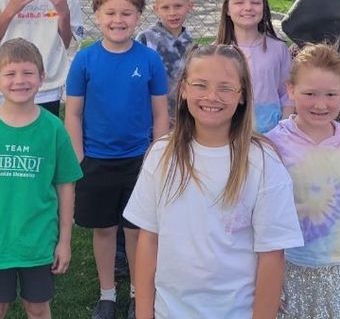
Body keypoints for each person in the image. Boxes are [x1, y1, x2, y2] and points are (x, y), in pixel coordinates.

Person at [123, 43, 303, 319]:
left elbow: (272, 256)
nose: (211, 96)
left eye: (226, 87)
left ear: (242, 95)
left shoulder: (264, 162)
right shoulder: (161, 154)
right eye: (200, 85)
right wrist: (144, 313)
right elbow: (148, 239)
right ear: (183, 90)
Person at [64, 0, 169, 319]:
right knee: (105, 228)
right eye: (110, 13)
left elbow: (160, 113)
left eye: (126, 13)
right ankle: (107, 294)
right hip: (95, 160)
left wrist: (157, 155)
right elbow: (74, 113)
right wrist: (78, 157)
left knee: (137, 229)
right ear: (97, 15)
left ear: (138, 16)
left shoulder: (149, 60)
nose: (118, 20)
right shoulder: (84, 60)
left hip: (139, 160)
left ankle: (139, 292)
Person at [0, 38, 82, 319]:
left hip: (38, 240)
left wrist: (64, 240)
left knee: (37, 308)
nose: (19, 81)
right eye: (10, 74)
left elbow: (66, 186)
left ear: (42, 78)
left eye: (28, 73)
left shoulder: (53, 129)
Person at [267, 41, 340, 318]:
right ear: (291, 90)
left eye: (330, 94)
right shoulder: (272, 146)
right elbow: (259, 213)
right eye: (310, 93)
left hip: (338, 268)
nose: (320, 103)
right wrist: (263, 274)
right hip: (284, 266)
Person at [215, 0, 290, 134]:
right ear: (227, 9)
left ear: (264, 7)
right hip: (228, 132)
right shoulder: (214, 53)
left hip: (272, 135)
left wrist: (282, 131)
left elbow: (288, 95)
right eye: (239, 2)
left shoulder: (279, 49)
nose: (248, 7)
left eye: (255, 2)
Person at [137, 0, 194, 120]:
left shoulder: (192, 44)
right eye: (165, 7)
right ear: (156, 9)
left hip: (184, 115)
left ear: (190, 6)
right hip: (151, 114)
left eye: (178, 6)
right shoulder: (146, 39)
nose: (172, 12)